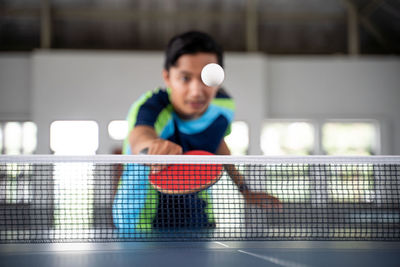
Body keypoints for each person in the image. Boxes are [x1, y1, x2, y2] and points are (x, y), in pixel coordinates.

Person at [112, 31, 281, 232]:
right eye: (185, 78)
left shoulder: (224, 106)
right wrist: (151, 147)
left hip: (197, 211)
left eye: (206, 78)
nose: (196, 91)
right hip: (142, 217)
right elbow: (139, 136)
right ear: (167, 77)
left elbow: (218, 143)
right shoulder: (150, 107)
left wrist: (244, 190)